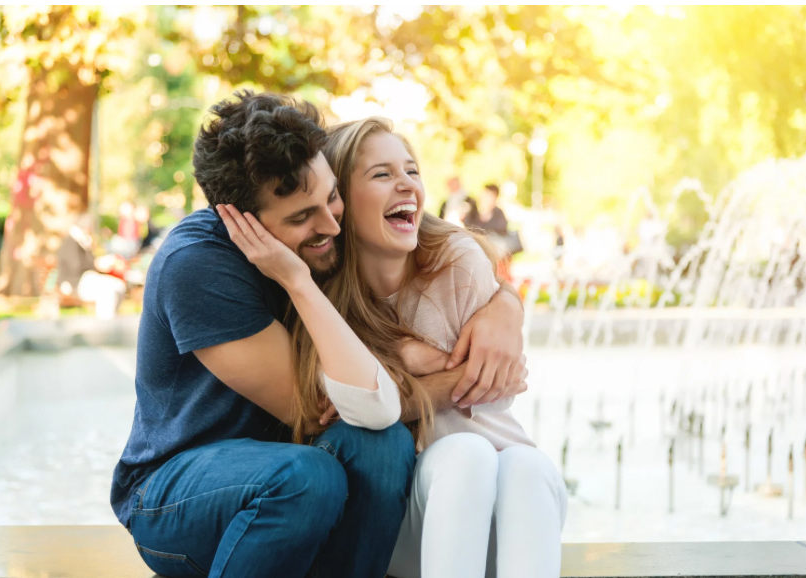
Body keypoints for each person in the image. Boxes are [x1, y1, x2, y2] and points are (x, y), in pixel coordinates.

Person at [111, 91, 526, 578]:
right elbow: (313, 410)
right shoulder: (197, 267)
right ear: (239, 219)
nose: (331, 223)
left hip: (299, 485)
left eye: (331, 196)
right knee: (306, 476)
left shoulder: (328, 224)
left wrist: (505, 306)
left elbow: (436, 243)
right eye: (301, 217)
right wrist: (454, 374)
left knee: (381, 443)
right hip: (179, 495)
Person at [221, 117, 566, 578]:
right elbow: (358, 409)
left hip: (514, 508)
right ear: (340, 199)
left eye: (412, 171)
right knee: (466, 454)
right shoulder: (324, 303)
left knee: (526, 463)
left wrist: (413, 364)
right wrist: (429, 362)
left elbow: (500, 387)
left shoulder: (455, 261)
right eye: (382, 174)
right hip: (416, 517)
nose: (406, 184)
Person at [56, 213, 126, 319]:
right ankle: (104, 324)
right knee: (108, 291)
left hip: (87, 278)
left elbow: (90, 263)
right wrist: (96, 264)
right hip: (74, 282)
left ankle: (113, 323)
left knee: (119, 286)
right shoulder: (70, 242)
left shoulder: (83, 242)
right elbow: (76, 266)